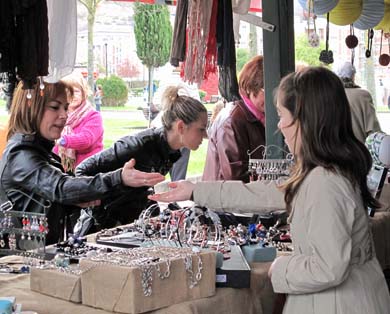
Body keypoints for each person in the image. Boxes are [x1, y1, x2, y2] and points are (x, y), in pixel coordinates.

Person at [149, 67, 390, 313]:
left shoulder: (325, 182)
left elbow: (328, 267)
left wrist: (280, 268)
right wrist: (195, 191)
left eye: (282, 116)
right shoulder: (322, 171)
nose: (280, 126)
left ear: (304, 120)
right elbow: (261, 193)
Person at [0, 79, 164, 245]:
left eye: (65, 107)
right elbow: (61, 187)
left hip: (34, 256)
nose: (64, 115)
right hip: (18, 263)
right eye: (55, 107)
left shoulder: (39, 152)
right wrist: (118, 178)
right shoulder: (21, 155)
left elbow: (52, 196)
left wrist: (77, 200)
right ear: (31, 108)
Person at [76, 85, 208, 228]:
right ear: (181, 127)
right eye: (201, 129)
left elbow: (139, 190)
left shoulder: (171, 151)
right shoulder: (136, 145)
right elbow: (81, 171)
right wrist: (104, 219)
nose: (205, 135)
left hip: (129, 227)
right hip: (100, 231)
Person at [202, 55, 265, 183]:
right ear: (250, 88)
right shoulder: (232, 121)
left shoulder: (258, 115)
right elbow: (235, 179)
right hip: (224, 199)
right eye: (266, 90)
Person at [53, 74, 104, 174]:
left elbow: (86, 139)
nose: (72, 95)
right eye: (67, 91)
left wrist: (62, 140)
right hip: (61, 170)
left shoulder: (94, 116)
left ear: (83, 93)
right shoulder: (57, 115)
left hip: (89, 171)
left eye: (76, 91)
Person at [334, 61, 382, 143]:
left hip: (333, 150)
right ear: (353, 77)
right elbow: (373, 130)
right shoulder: (364, 95)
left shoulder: (331, 94)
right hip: (358, 150)